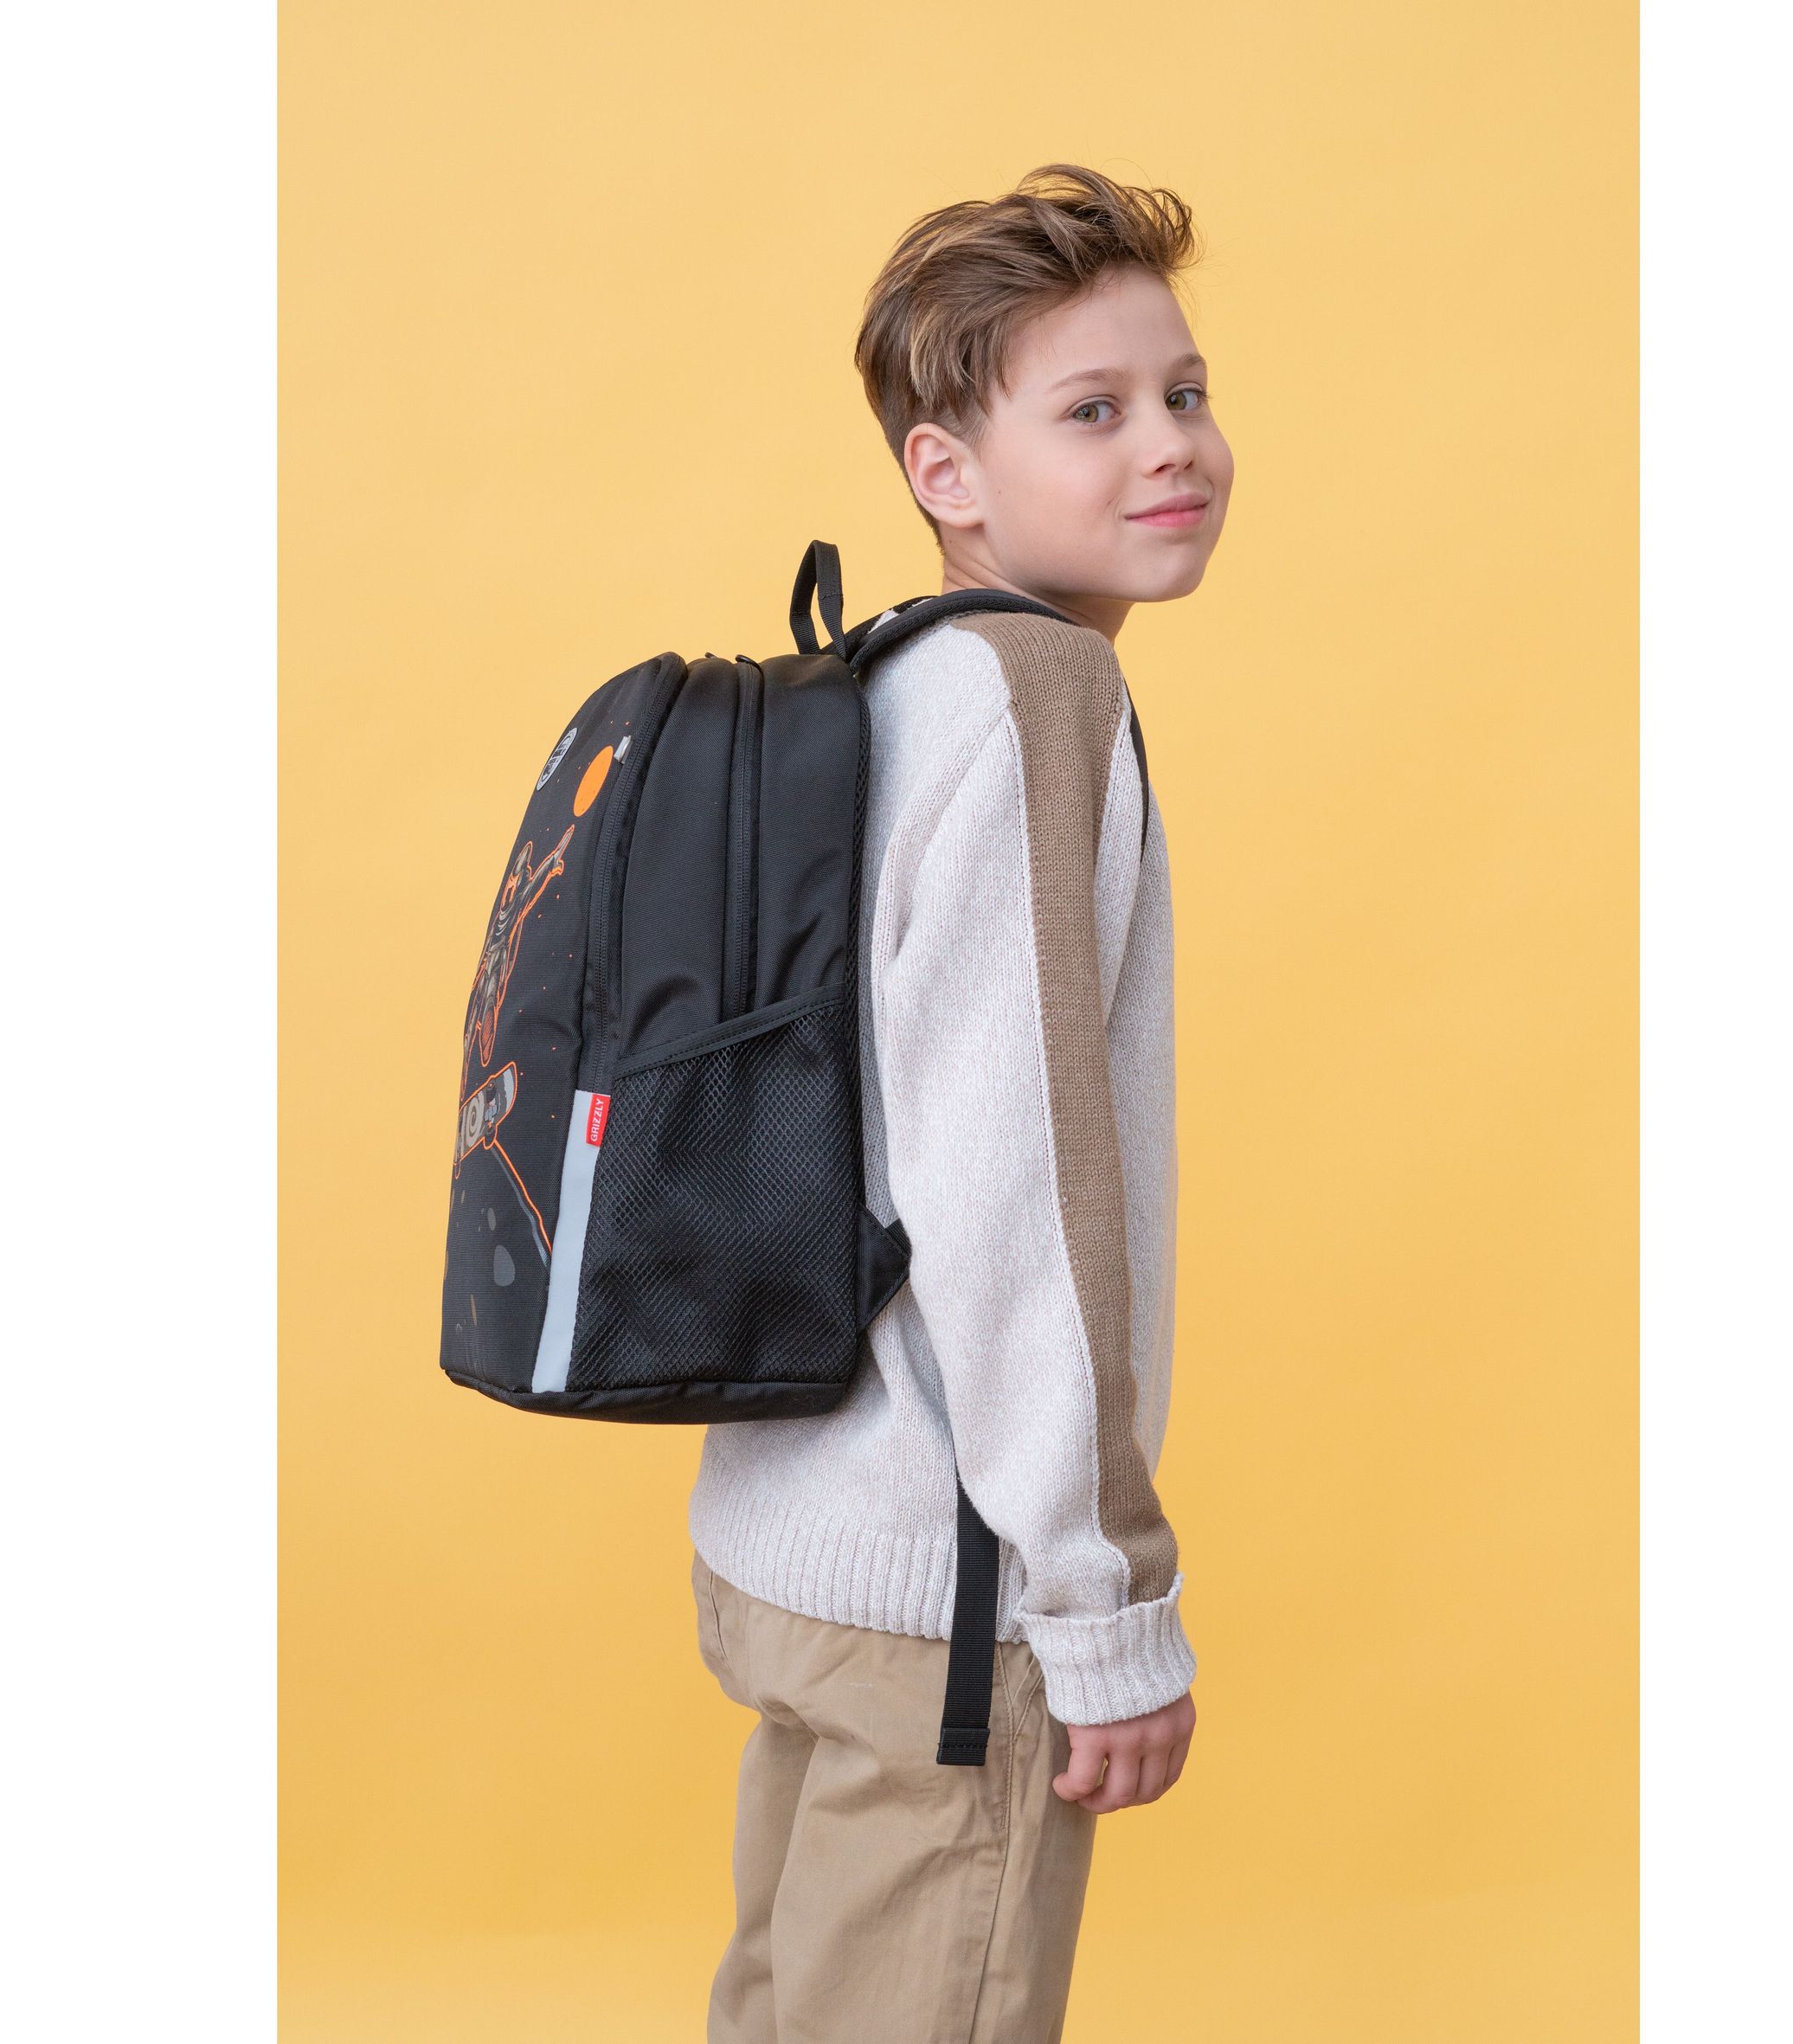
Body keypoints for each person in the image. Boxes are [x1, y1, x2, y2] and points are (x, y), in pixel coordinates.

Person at [685, 161, 1236, 2043]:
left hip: (797, 1532)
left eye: (1183, 391)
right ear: (946, 472)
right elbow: (1015, 1189)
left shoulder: (882, 685)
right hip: (952, 1590)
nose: (1170, 443)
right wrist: (1103, 1610)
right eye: (1092, 409)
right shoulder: (1032, 703)